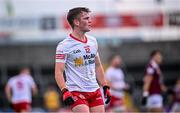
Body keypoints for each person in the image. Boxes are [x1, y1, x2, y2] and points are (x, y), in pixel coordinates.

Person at [55, 7, 111, 113]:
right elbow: (58, 71)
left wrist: (105, 85)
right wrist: (64, 90)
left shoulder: (93, 41)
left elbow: (98, 65)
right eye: (86, 18)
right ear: (76, 22)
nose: (90, 21)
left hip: (94, 90)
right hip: (76, 92)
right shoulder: (64, 45)